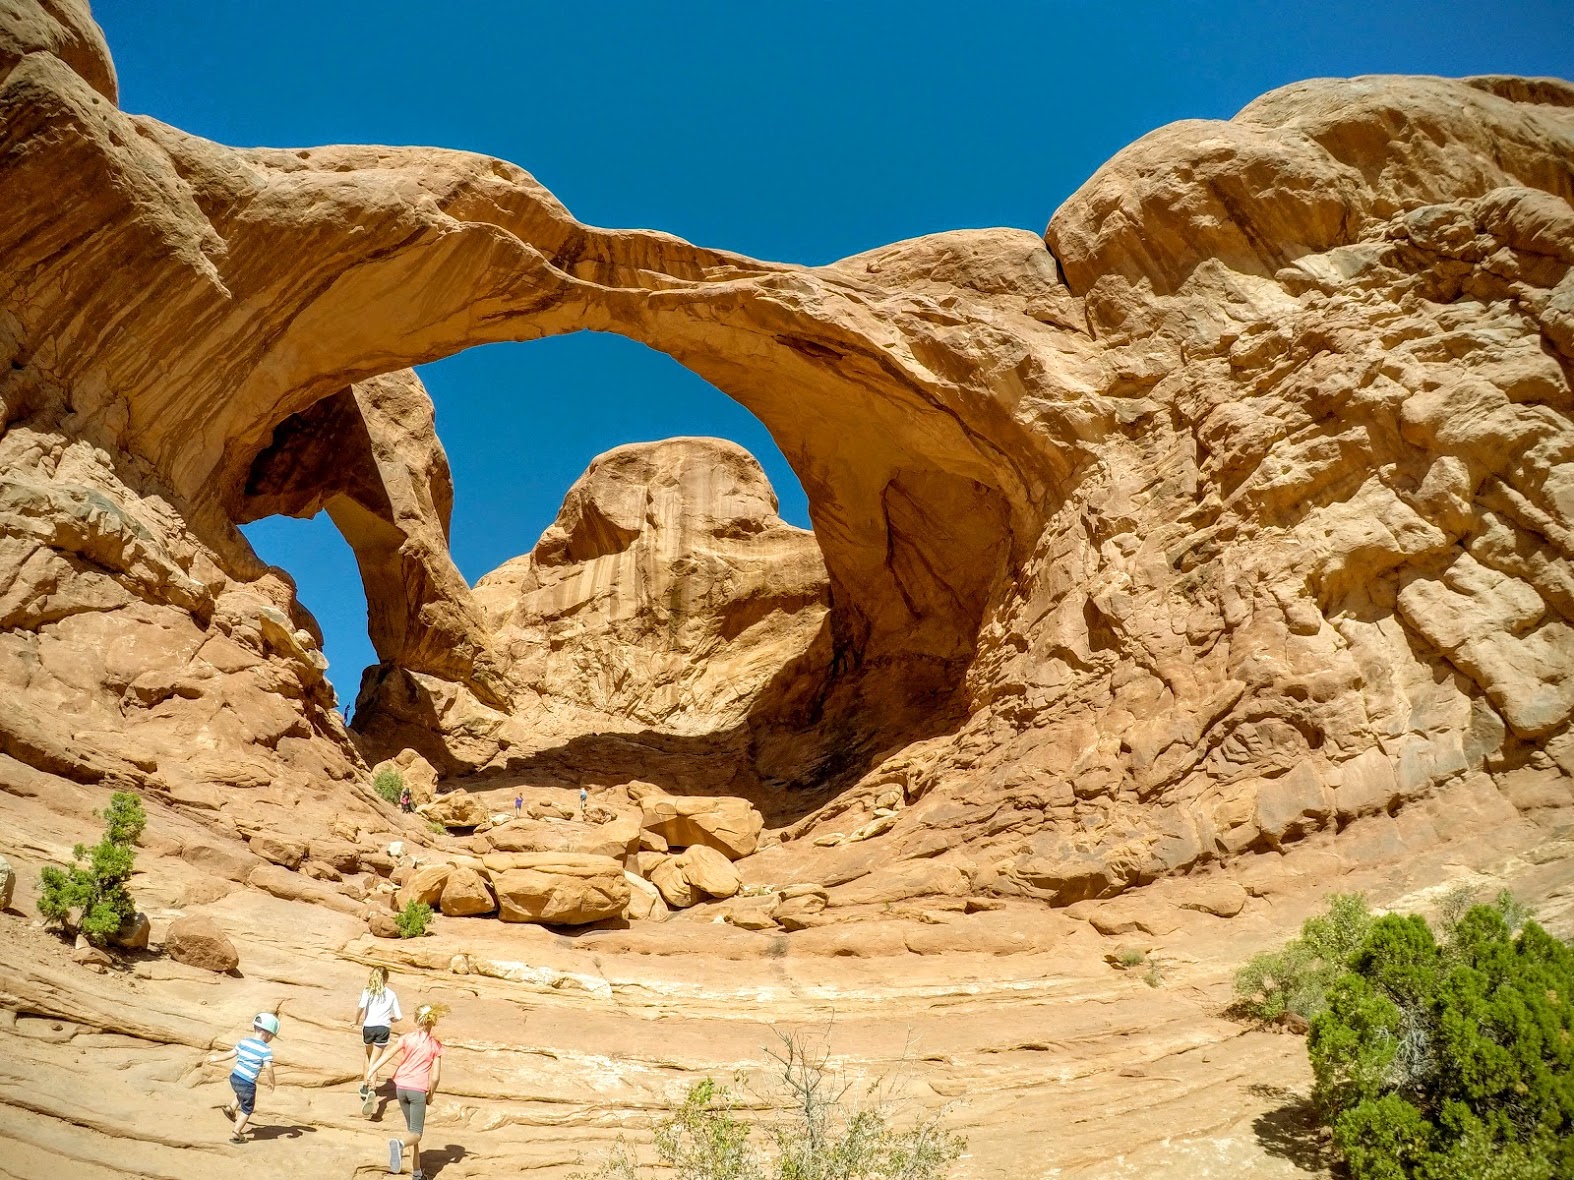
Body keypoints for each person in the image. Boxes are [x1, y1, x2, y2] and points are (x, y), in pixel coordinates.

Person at [366, 1002, 446, 1178]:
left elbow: (387, 1054)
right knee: (416, 1134)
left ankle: (417, 1174)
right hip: (417, 1091)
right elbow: (435, 1077)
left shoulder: (406, 1038)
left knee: (412, 1130)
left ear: (417, 1020)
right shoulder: (435, 1046)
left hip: (400, 1088)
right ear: (433, 1022)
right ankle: (399, 1144)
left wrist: (371, 1070)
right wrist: (431, 1095)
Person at [208, 1012, 280, 1144]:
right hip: (247, 1083)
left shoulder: (244, 1041)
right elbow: (268, 1067)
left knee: (241, 1092)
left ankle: (230, 1108)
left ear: (255, 1029)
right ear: (269, 1035)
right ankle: (237, 1132)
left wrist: (216, 1058)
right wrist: (272, 1082)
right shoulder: (266, 1050)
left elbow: (231, 1054)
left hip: (234, 1077)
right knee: (247, 1108)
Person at [354, 966, 403, 1114]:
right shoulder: (391, 994)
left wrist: (355, 1021)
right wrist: (390, 1018)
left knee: (368, 1056)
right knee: (375, 1060)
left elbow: (361, 1007)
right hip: (383, 1029)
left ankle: (365, 1086)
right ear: (386, 979)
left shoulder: (368, 990)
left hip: (368, 1027)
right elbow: (399, 1017)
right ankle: (372, 1087)